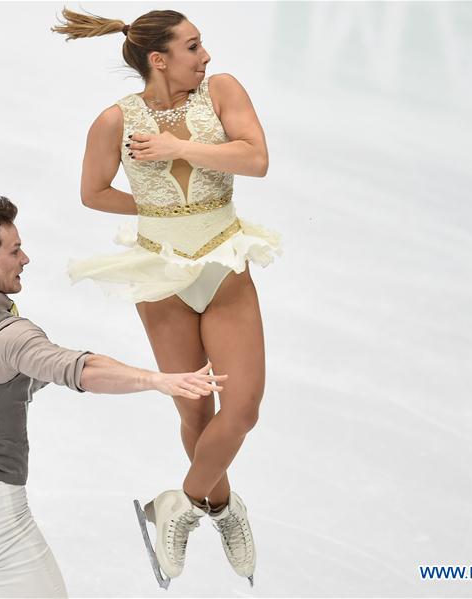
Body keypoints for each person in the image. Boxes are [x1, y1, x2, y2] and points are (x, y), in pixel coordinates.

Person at [0, 66, 228, 599]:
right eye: (14, 250)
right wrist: (157, 379)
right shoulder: (7, 337)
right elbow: (80, 368)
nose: (25, 258)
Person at [52, 9, 281, 585]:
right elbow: (93, 192)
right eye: (194, 47)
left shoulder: (221, 91)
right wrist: (156, 208)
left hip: (223, 265)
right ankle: (222, 506)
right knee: (195, 410)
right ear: (159, 59)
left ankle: (179, 502)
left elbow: (256, 159)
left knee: (243, 408)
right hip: (161, 278)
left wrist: (180, 147)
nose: (205, 57)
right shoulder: (115, 120)